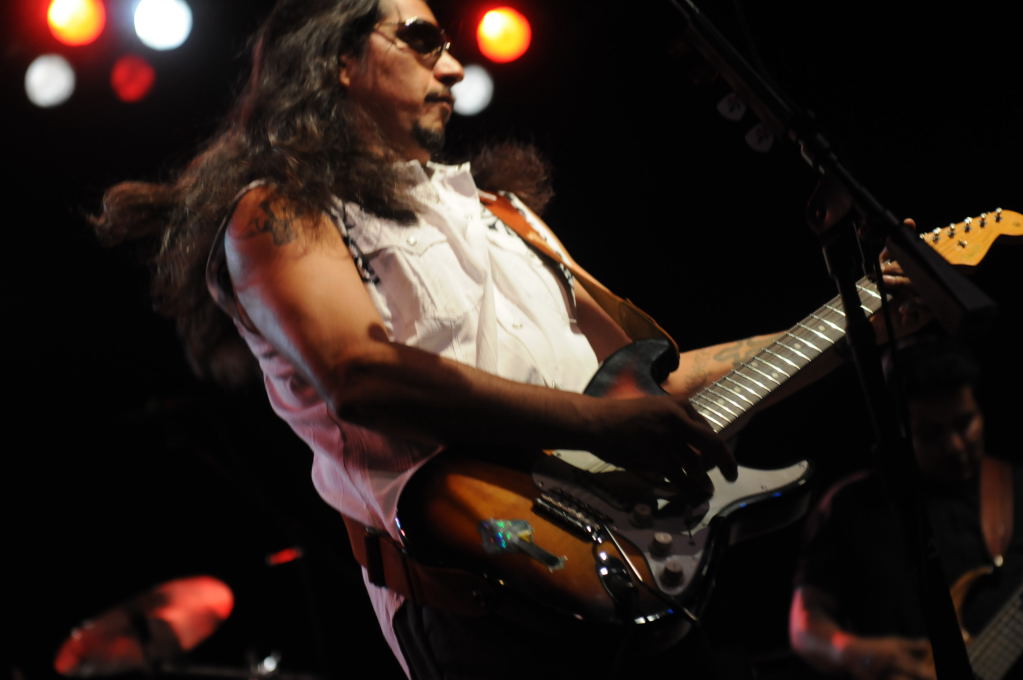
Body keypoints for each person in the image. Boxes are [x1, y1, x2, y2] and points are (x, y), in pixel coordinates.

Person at [92, 1, 912, 677]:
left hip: (632, 578)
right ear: (336, 59)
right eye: (421, 39)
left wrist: (859, 318)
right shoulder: (278, 211)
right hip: (480, 602)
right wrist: (597, 425)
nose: (452, 67)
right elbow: (358, 373)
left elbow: (645, 391)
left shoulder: (504, 215)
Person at [788, 338, 1023, 680]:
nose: (956, 445)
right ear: (900, 432)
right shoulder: (850, 505)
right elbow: (804, 623)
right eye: (932, 434)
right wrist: (854, 653)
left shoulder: (1014, 486)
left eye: (965, 423)